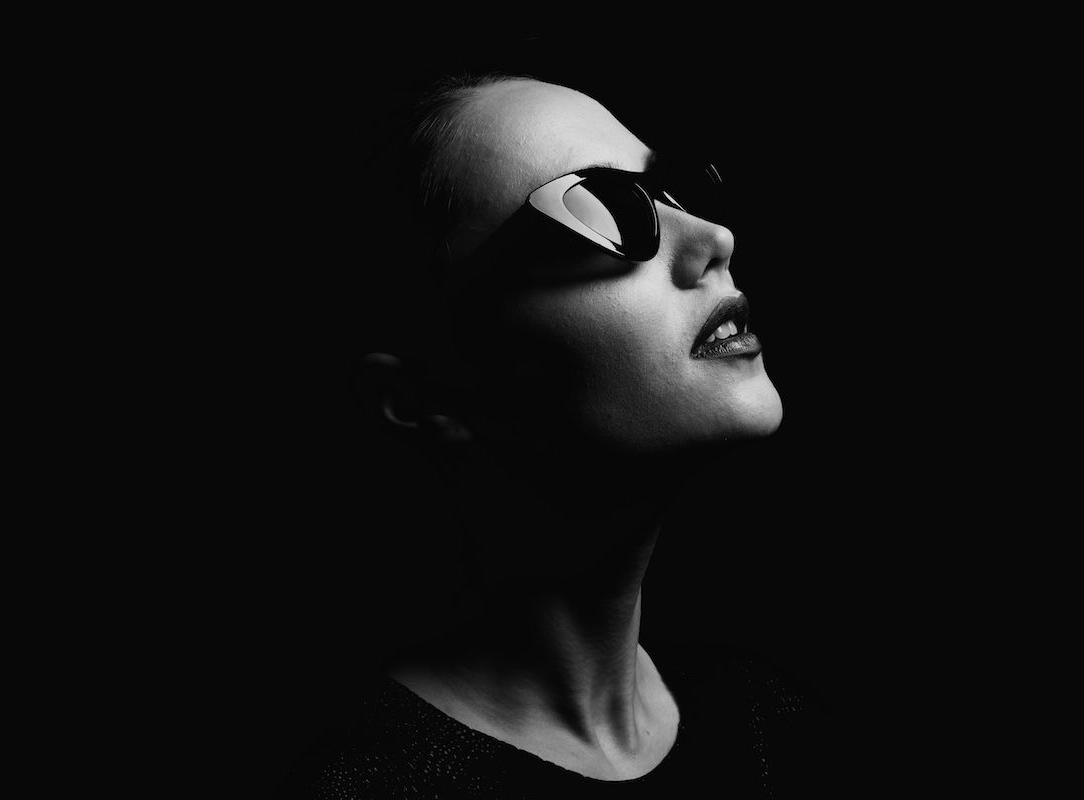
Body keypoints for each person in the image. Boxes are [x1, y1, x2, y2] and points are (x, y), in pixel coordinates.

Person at [282, 71, 830, 798]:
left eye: (669, 195)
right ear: (421, 397)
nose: (715, 239)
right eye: (603, 210)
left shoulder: (776, 721)